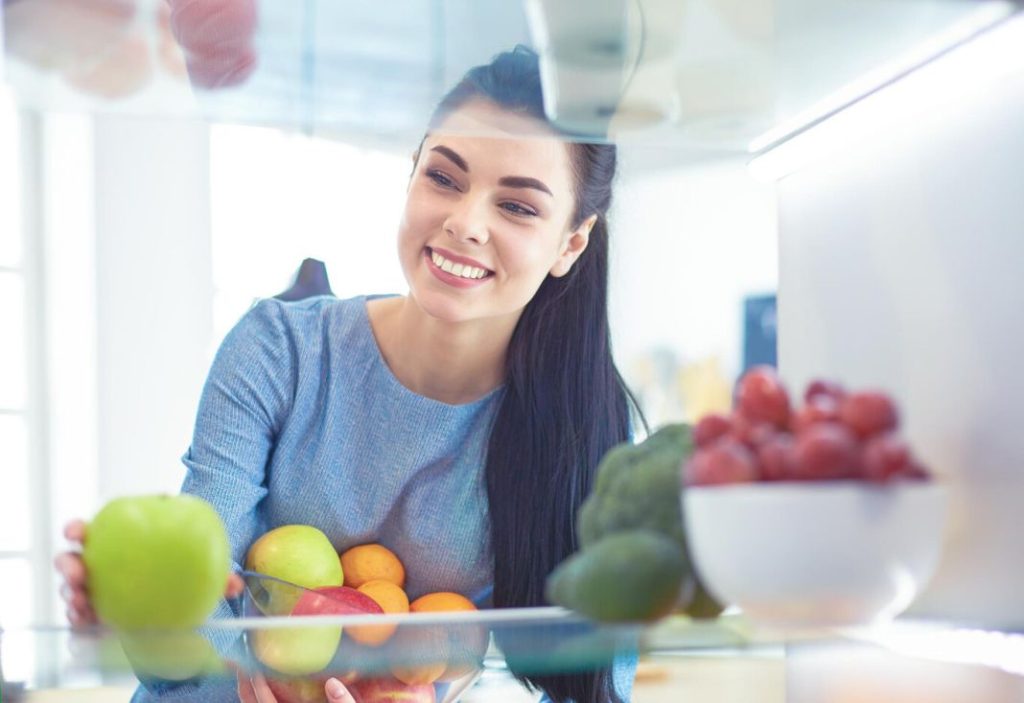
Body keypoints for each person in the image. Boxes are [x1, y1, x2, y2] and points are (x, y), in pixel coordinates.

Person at [54, 45, 642, 703]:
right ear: (412, 172)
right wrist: (144, 607)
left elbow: (596, 687)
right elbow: (183, 654)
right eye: (444, 177)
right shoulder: (279, 350)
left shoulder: (584, 423)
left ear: (571, 242)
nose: (463, 223)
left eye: (519, 207)